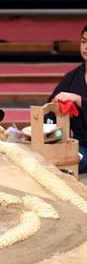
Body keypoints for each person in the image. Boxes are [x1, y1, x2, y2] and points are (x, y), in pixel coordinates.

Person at [48, 25, 87, 174]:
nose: (86, 47)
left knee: (72, 163)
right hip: (78, 144)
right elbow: (50, 109)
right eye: (84, 41)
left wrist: (78, 99)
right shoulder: (72, 78)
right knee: (47, 157)